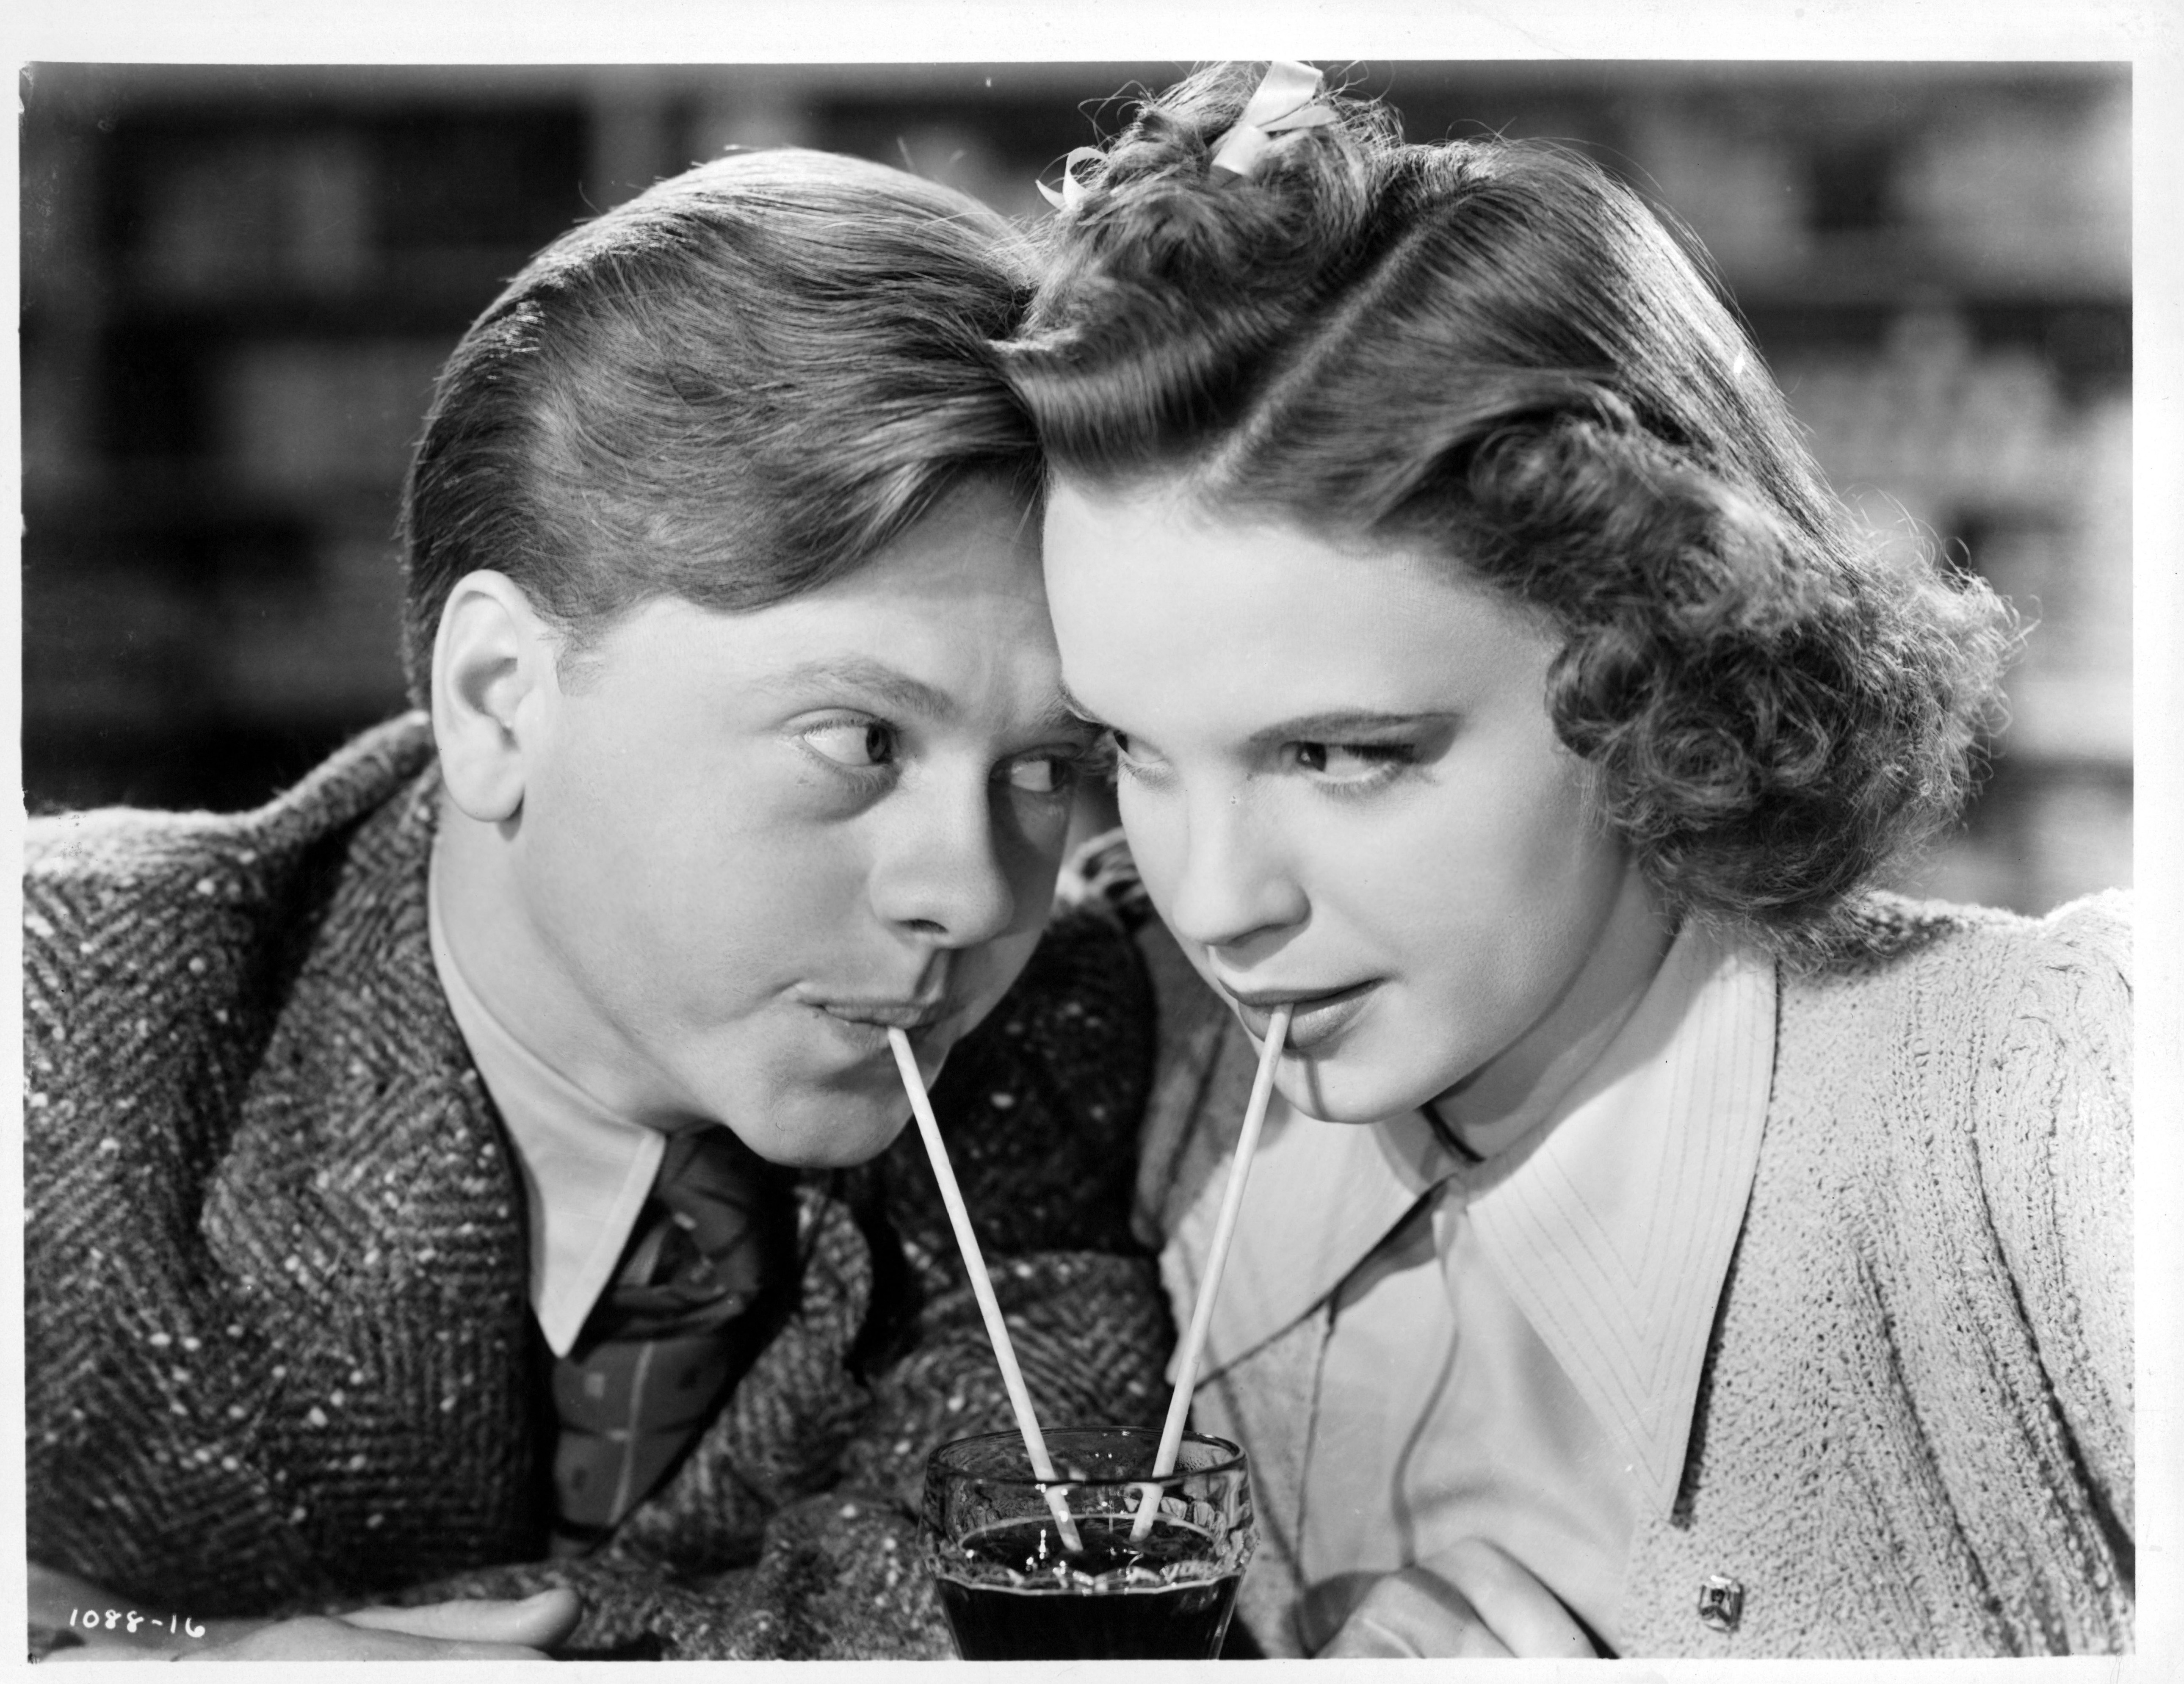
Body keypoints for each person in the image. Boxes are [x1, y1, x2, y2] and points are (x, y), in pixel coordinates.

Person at [999, 61, 2131, 1660]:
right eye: (1130, 750)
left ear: (1650, 657)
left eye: (1340, 754)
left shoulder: (2057, 1107)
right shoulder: (1134, 1124)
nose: (1219, 903)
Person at [25, 148, 1170, 1661]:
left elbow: (1021, 1597)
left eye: (1045, 766)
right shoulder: (60, 1023)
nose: (972, 893)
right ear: (502, 699)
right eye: (864, 740)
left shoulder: (1056, 1029)